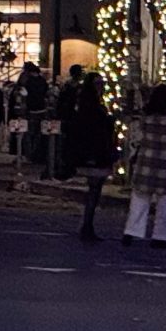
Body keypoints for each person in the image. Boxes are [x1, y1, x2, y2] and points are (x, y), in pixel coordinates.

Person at [121, 84, 166, 249]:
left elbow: (137, 136)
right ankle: (161, 236)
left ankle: (132, 231)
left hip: (146, 162)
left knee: (140, 199)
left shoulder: (146, 118)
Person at [60, 76, 119, 242]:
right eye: (99, 85)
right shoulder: (91, 108)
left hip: (91, 152)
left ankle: (87, 224)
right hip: (93, 152)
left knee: (94, 190)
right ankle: (87, 225)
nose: (102, 88)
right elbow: (96, 129)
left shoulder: (85, 106)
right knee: (94, 189)